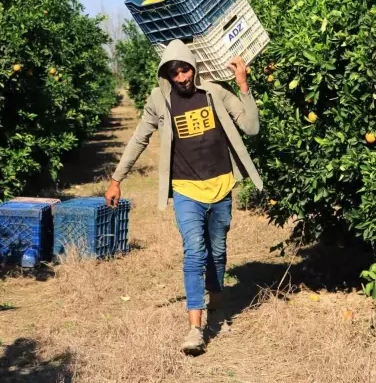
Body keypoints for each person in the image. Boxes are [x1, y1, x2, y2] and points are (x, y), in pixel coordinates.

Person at [105, 39, 263, 355]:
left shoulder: (215, 92)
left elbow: (251, 127)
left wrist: (243, 86)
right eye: (174, 73)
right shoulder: (158, 100)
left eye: (185, 70)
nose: (181, 78)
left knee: (217, 252)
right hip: (186, 190)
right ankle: (195, 328)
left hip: (221, 187)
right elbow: (138, 139)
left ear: (193, 66)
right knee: (194, 252)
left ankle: (216, 306)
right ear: (166, 74)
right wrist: (116, 179)